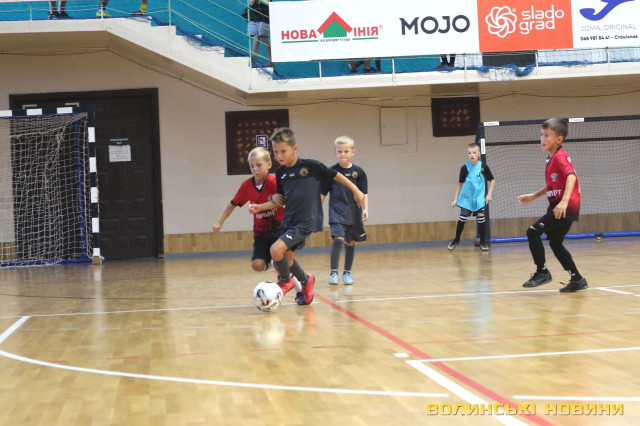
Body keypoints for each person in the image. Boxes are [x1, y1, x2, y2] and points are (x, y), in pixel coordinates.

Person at [260, 127, 364, 305]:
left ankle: (285, 281)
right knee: (287, 260)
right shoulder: (281, 173)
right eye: (275, 152)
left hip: (306, 221)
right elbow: (281, 198)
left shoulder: (311, 166)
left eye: (283, 151)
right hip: (289, 220)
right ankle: (306, 281)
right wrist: (270, 200)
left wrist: (356, 190)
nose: (279, 156)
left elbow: (335, 175)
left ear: (295, 148)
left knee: (275, 251)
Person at [213, 147, 303, 302]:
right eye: (251, 166)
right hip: (261, 233)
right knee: (257, 265)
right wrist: (220, 222)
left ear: (269, 164)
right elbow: (233, 203)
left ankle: (300, 290)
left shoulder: (274, 182)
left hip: (280, 231)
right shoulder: (246, 185)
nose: (255, 169)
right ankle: (276, 264)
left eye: (259, 165)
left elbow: (281, 202)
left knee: (284, 262)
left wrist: (262, 205)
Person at [517, 118, 588, 292]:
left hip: (565, 207)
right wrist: (534, 196)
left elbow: (571, 177)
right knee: (555, 243)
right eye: (541, 135)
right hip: (561, 207)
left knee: (532, 232)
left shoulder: (560, 157)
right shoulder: (551, 159)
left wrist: (564, 201)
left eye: (547, 135)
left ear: (559, 139)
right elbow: (552, 185)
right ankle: (577, 279)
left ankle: (542, 272)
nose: (542, 139)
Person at [321, 136, 369, 285]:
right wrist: (315, 210)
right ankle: (333, 273)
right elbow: (323, 193)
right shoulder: (331, 172)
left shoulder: (358, 172)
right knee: (338, 240)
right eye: (340, 151)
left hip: (353, 213)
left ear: (353, 152)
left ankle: (347, 273)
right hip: (336, 212)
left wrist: (366, 209)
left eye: (346, 151)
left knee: (350, 242)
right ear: (335, 153)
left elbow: (364, 193)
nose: (343, 154)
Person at [448, 143, 495, 251]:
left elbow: (492, 180)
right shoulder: (464, 167)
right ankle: (456, 239)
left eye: (474, 152)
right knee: (463, 218)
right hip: (467, 197)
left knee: (481, 217)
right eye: (469, 153)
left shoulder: (483, 167)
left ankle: (483, 242)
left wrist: (489, 194)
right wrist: (455, 198)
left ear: (479, 154)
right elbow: (460, 183)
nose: (471, 155)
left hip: (479, 197)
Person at [248, 0, 272, 67]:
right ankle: (253, 62)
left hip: (264, 17)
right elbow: (251, 3)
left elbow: (268, 1)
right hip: (255, 17)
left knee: (265, 39)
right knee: (256, 38)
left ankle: (271, 62)